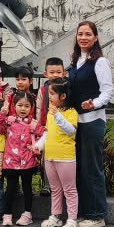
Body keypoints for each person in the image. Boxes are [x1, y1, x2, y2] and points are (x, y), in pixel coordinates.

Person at [68, 21, 112, 227]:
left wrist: (94, 103)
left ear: (95, 38)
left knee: (92, 169)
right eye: (80, 34)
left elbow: (107, 91)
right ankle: (82, 212)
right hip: (76, 123)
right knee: (77, 169)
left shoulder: (100, 62)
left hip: (93, 121)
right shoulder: (75, 63)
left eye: (88, 34)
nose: (83, 37)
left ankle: (97, 215)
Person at [0, 90, 44, 226]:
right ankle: (7, 214)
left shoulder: (34, 124)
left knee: (27, 188)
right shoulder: (9, 121)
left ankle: (27, 214)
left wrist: (37, 146)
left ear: (32, 107)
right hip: (11, 161)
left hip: (28, 161)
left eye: (27, 106)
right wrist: (2, 113)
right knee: (10, 188)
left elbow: (45, 135)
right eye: (20, 105)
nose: (23, 109)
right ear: (14, 106)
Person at [37, 81, 80, 227]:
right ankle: (55, 216)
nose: (49, 97)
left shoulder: (72, 112)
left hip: (65, 157)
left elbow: (70, 130)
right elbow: (47, 133)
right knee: (55, 189)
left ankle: (72, 219)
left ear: (63, 96)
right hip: (50, 156)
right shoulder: (51, 112)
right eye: (49, 93)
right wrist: (38, 146)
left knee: (69, 190)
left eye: (52, 94)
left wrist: (57, 115)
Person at [33, 58, 68, 196]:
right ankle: (47, 185)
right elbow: (38, 108)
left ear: (64, 73)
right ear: (45, 74)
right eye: (52, 72)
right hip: (47, 128)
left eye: (58, 72)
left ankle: (64, 185)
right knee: (47, 158)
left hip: (64, 128)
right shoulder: (43, 90)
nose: (55, 75)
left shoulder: (67, 89)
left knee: (62, 158)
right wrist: (38, 126)